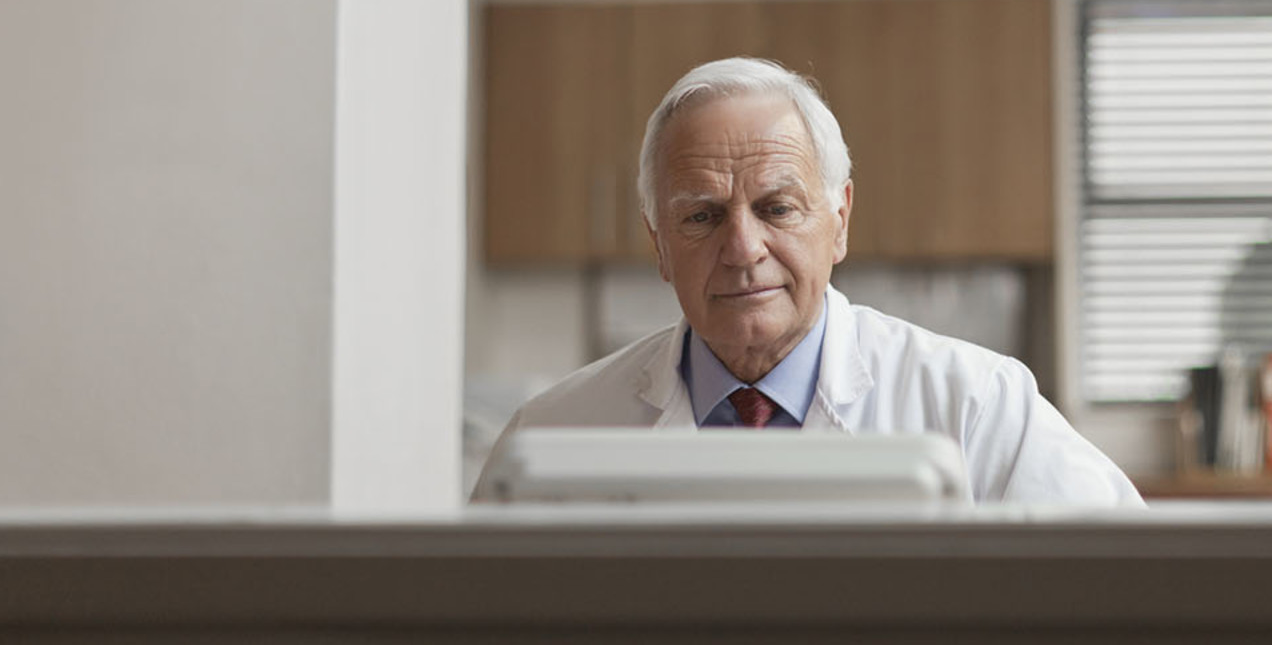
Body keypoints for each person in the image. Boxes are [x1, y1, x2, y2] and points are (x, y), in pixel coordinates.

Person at [473, 57, 1143, 506]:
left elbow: (1129, 585)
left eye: (776, 208)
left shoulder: (977, 405)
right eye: (702, 216)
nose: (743, 248)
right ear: (659, 245)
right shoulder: (553, 435)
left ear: (839, 220)